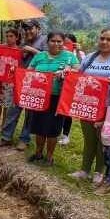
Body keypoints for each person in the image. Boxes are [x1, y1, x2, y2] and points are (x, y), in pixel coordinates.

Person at [68, 27, 110, 181]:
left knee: (104, 139)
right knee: (89, 138)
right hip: (88, 104)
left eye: (109, 39)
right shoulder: (91, 56)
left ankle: (100, 171)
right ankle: (84, 170)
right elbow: (79, 74)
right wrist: (69, 71)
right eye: (102, 38)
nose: (104, 42)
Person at [0, 20, 48, 151]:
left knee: (30, 113)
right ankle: (5, 137)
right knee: (13, 109)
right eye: (26, 29)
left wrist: (32, 50)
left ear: (38, 28)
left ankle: (24, 139)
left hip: (35, 82)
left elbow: (49, 57)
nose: (28, 31)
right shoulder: (24, 42)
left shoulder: (44, 40)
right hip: (20, 79)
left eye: (30, 29)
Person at [27, 31, 80, 166]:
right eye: (53, 41)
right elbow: (29, 70)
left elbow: (78, 71)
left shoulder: (69, 57)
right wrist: (37, 75)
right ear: (47, 42)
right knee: (39, 126)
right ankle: (38, 153)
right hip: (40, 96)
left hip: (58, 97)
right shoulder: (39, 56)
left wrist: (66, 72)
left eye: (59, 41)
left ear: (63, 42)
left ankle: (49, 157)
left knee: (53, 128)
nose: (56, 44)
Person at [0, 28, 21, 131]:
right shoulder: (0, 47)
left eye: (11, 36)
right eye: (7, 36)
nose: (8, 38)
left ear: (16, 37)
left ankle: (3, 124)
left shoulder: (19, 51)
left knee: (6, 104)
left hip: (9, 81)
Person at [59, 34, 85, 146]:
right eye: (64, 42)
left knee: (66, 110)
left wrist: (78, 51)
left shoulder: (79, 53)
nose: (66, 45)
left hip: (71, 85)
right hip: (58, 84)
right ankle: (56, 132)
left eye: (68, 43)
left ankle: (66, 135)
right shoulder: (59, 52)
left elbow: (83, 67)